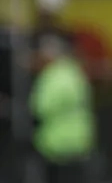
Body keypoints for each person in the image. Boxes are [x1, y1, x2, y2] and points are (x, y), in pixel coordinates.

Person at [29, 33, 95, 183]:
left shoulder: (51, 76)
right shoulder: (75, 72)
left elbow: (40, 108)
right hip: (80, 140)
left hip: (56, 143)